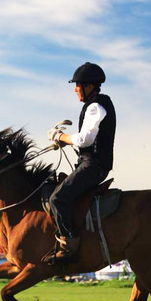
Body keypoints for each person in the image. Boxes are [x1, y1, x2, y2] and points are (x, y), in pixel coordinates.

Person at [43, 62, 116, 265]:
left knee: (57, 198)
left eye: (78, 85)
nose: (75, 89)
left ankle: (69, 246)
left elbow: (85, 140)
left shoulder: (95, 106)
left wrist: (61, 136)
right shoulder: (94, 105)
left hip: (93, 166)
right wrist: (63, 141)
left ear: (89, 86)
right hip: (89, 162)